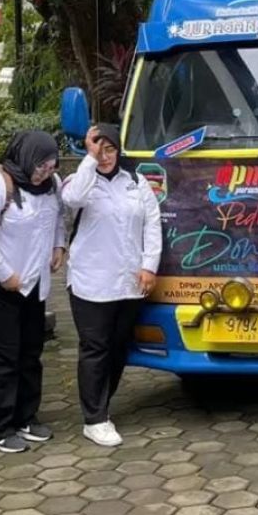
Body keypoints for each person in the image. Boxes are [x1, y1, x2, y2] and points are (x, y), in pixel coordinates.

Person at [0, 130, 65, 453]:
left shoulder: (53, 185)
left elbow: (58, 217)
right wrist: (5, 273)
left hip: (31, 285)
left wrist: (59, 245)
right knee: (0, 358)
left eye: (50, 166)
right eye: (40, 166)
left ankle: (25, 416)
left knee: (29, 353)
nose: (44, 173)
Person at [61, 124, 161, 448]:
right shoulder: (81, 181)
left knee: (118, 347)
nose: (104, 156)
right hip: (91, 282)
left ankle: (103, 402)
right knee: (95, 347)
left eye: (110, 149)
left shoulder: (135, 181)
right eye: (98, 149)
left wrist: (149, 266)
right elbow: (72, 199)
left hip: (129, 281)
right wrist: (89, 158)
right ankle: (95, 418)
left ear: (119, 150)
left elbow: (152, 223)